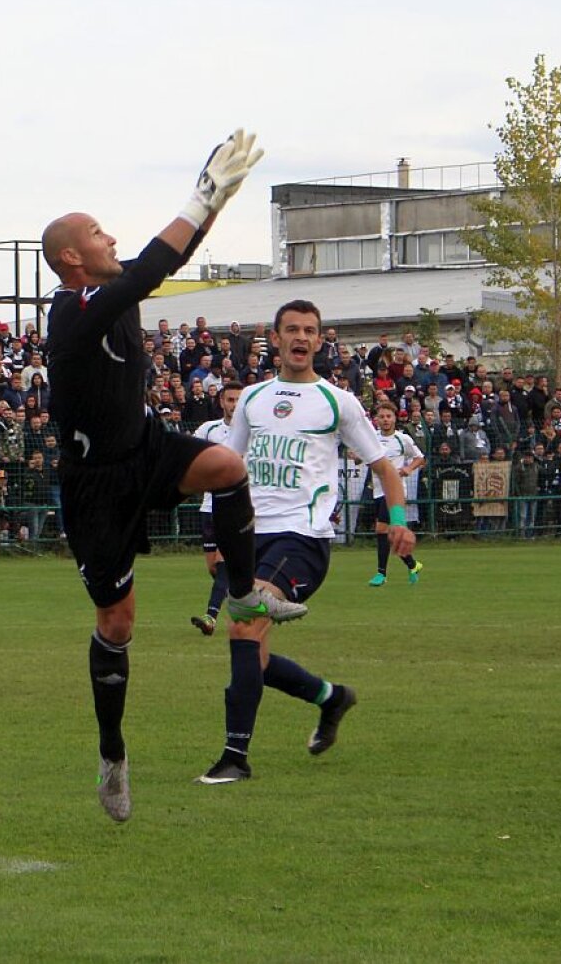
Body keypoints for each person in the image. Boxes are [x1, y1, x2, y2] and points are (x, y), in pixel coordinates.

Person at [43, 130, 306, 823]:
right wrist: (198, 192)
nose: (111, 239)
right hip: (96, 485)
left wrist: (214, 196)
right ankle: (112, 755)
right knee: (118, 624)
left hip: (144, 446)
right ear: (71, 256)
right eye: (99, 233)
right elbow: (152, 270)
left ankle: (246, 596)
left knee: (227, 465)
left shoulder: (110, 288)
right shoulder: (71, 311)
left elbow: (169, 253)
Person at [196, 300, 417, 784]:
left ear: (320, 342)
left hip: (304, 536)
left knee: (246, 622)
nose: (301, 337)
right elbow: (224, 471)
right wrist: (212, 538)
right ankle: (330, 697)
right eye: (292, 329)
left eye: (310, 331)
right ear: (274, 339)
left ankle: (235, 759)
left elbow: (384, 468)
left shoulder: (338, 401)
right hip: (250, 536)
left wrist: (397, 519)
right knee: (249, 648)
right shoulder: (253, 399)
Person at [189, 379, 243, 636]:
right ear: (222, 401)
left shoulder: (253, 432)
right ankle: (248, 596)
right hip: (208, 505)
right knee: (214, 567)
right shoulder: (208, 430)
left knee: (222, 563)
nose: (234, 404)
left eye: (238, 400)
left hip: (234, 505)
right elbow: (189, 454)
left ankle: (210, 616)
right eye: (230, 399)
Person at [368, 400, 425, 586]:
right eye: (382, 417)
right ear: (376, 420)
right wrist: (357, 456)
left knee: (381, 529)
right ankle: (412, 564)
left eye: (388, 416)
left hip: (395, 491)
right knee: (391, 534)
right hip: (377, 490)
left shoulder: (403, 439)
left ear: (394, 419)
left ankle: (381, 574)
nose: (385, 420)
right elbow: (363, 458)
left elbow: (420, 458)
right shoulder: (372, 438)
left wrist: (408, 469)